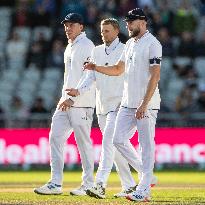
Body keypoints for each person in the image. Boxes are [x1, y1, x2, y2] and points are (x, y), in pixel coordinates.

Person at [84, 8, 162, 202]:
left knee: (146, 146)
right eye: (127, 22)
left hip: (146, 103)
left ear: (143, 22)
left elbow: (155, 75)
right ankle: (148, 177)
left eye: (131, 22)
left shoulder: (153, 43)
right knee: (117, 140)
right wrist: (96, 67)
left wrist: (144, 104)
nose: (127, 25)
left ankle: (144, 190)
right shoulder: (129, 44)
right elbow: (118, 69)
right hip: (127, 103)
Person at [67, 18, 138, 199]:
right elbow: (90, 76)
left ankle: (100, 184)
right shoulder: (96, 51)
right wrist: (78, 90)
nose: (103, 34)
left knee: (108, 143)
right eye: (101, 31)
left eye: (107, 31)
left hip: (119, 105)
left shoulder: (124, 50)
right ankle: (130, 185)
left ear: (116, 31)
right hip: (102, 106)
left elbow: (119, 71)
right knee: (115, 149)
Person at [34, 13, 96, 196]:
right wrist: (64, 97)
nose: (67, 28)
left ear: (81, 27)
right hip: (65, 103)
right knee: (55, 138)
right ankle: (56, 183)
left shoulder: (87, 46)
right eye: (66, 25)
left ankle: (88, 184)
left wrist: (73, 98)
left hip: (82, 104)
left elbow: (90, 76)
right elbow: (70, 77)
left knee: (83, 144)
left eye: (71, 25)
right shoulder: (69, 47)